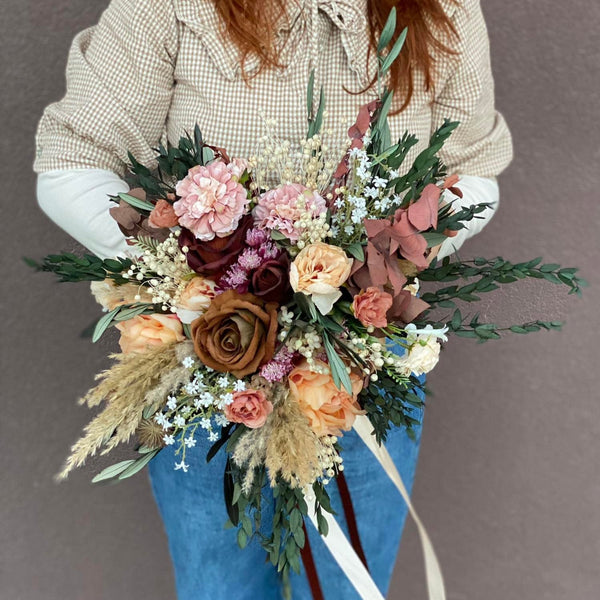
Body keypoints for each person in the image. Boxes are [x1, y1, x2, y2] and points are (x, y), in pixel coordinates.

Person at [33, 0, 513, 598]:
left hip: (365, 367)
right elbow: (71, 162)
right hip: (208, 368)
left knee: (352, 585)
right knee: (219, 586)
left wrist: (381, 267)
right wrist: (198, 279)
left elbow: (474, 169)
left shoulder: (442, 7)